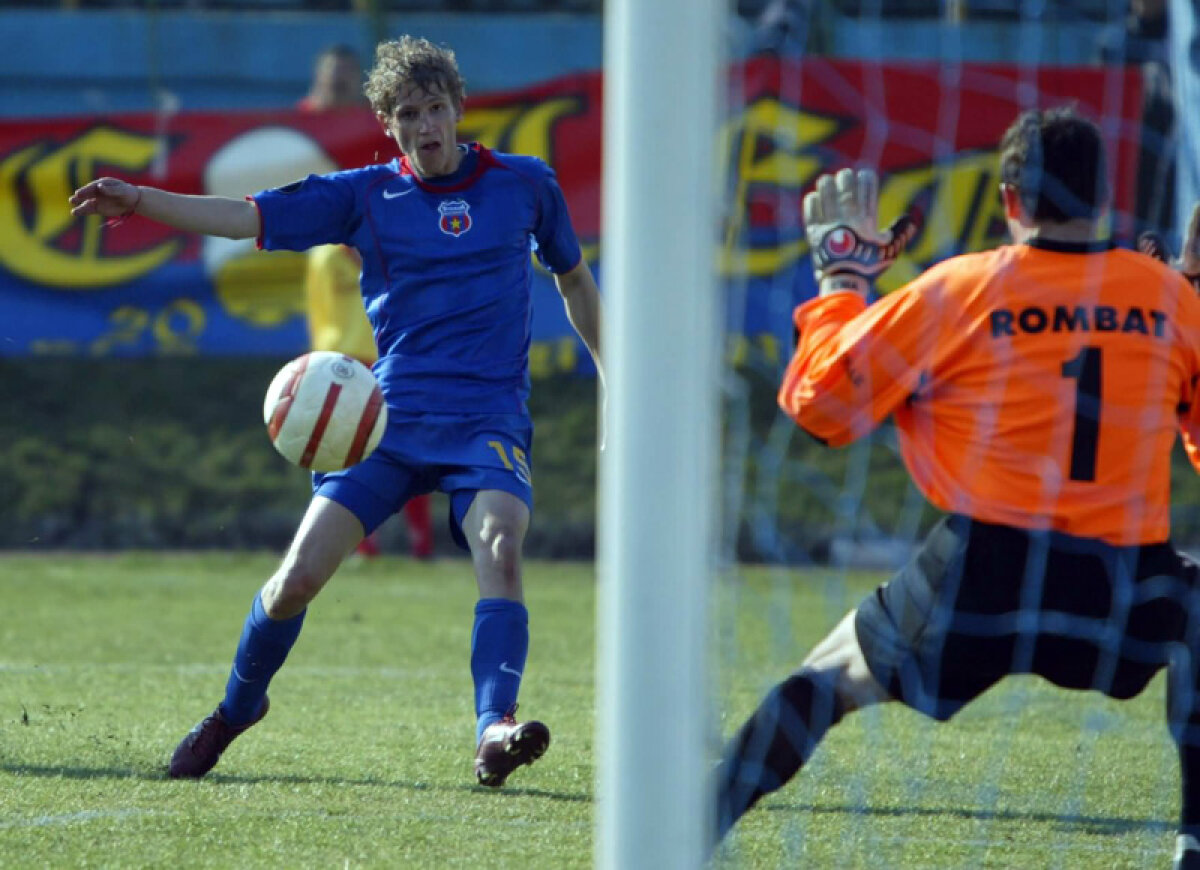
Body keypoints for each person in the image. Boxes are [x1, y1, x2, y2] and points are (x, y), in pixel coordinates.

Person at [69, 35, 604, 788]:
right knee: (295, 580)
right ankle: (234, 711)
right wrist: (143, 200)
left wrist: (613, 379)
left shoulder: (525, 186)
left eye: (436, 108)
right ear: (388, 124)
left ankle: (495, 728)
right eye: (409, 113)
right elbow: (241, 217)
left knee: (501, 542)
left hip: (487, 419)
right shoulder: (363, 197)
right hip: (387, 423)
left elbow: (574, 282)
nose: (426, 126)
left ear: (458, 109)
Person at [712, 106, 1200, 870]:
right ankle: (1192, 839)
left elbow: (822, 411)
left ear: (1010, 202)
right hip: (1123, 585)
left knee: (827, 682)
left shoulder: (962, 289)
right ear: (1106, 199)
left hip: (983, 574)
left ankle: (679, 836)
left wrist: (843, 280)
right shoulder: (1170, 299)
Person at [297, 49, 435, 560]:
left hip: (377, 355)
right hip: (338, 357)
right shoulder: (322, 231)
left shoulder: (362, 233)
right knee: (348, 453)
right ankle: (366, 547)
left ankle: (416, 543)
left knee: (395, 449)